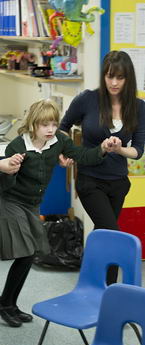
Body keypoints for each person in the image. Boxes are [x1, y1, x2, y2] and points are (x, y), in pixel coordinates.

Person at [0, 98, 117, 328]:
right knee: (24, 253)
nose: (51, 129)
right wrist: (10, 168)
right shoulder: (18, 146)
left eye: (54, 123)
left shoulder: (59, 141)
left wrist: (102, 148)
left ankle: (8, 303)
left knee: (30, 254)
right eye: (45, 125)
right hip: (11, 202)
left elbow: (82, 157)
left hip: (32, 205)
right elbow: (5, 184)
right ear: (33, 124)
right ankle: (6, 304)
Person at [59, 50, 145, 285]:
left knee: (101, 235)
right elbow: (63, 128)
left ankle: (91, 285)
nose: (114, 83)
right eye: (109, 76)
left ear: (128, 79)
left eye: (120, 77)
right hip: (90, 179)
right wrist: (63, 152)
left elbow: (138, 150)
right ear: (103, 77)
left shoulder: (138, 106)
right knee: (113, 235)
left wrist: (119, 149)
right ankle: (109, 289)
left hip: (118, 182)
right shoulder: (87, 99)